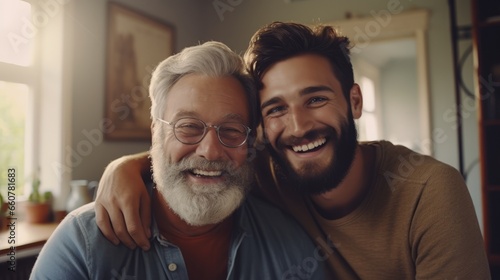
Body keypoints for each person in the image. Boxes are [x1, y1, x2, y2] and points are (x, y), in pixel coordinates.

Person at [94, 22, 491, 279]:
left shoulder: (429, 191)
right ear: (262, 127)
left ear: (354, 101)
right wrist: (127, 167)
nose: (299, 127)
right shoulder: (266, 171)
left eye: (316, 99)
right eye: (276, 109)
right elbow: (202, 159)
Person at [29, 41, 329, 280]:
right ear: (156, 133)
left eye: (232, 130)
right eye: (188, 127)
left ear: (251, 141)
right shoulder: (84, 245)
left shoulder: (290, 244)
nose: (210, 152)